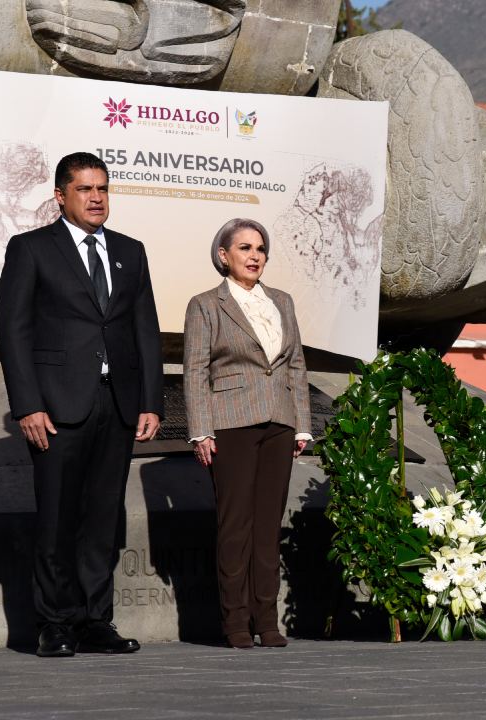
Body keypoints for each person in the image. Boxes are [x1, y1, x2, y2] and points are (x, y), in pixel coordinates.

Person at [0, 151, 164, 657]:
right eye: (86, 190)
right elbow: (14, 331)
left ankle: (95, 621)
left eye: (103, 189)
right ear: (61, 196)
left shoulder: (130, 252)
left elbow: (146, 331)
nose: (97, 198)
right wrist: (27, 405)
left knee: (101, 519)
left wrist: (151, 402)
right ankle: (55, 624)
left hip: (117, 407)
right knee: (55, 518)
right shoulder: (31, 249)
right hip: (56, 407)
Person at [183, 218, 312, 649]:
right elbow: (196, 371)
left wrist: (302, 425)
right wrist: (201, 430)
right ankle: (236, 623)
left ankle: (267, 621)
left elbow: (295, 365)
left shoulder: (283, 301)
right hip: (231, 421)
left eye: (260, 249)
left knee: (267, 527)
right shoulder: (205, 304)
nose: (255, 256)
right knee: (235, 525)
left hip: (279, 421)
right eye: (244, 248)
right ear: (224, 255)